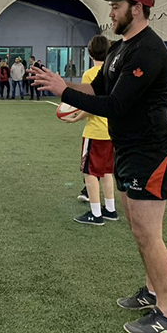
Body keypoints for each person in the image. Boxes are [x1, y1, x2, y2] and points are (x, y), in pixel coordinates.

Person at [30, 0, 167, 333]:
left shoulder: (149, 51)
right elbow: (98, 89)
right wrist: (61, 83)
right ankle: (151, 291)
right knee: (138, 229)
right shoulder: (118, 50)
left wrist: (64, 92)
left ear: (137, 8)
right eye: (111, 6)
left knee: (149, 234)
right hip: (128, 149)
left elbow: (115, 105)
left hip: (153, 152)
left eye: (117, 6)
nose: (110, 11)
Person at [58, 35, 118, 226]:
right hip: (112, 131)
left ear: (90, 52)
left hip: (95, 132)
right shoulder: (113, 73)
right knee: (108, 171)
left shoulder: (90, 74)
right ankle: (110, 209)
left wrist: (75, 118)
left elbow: (90, 105)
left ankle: (95, 213)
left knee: (90, 173)